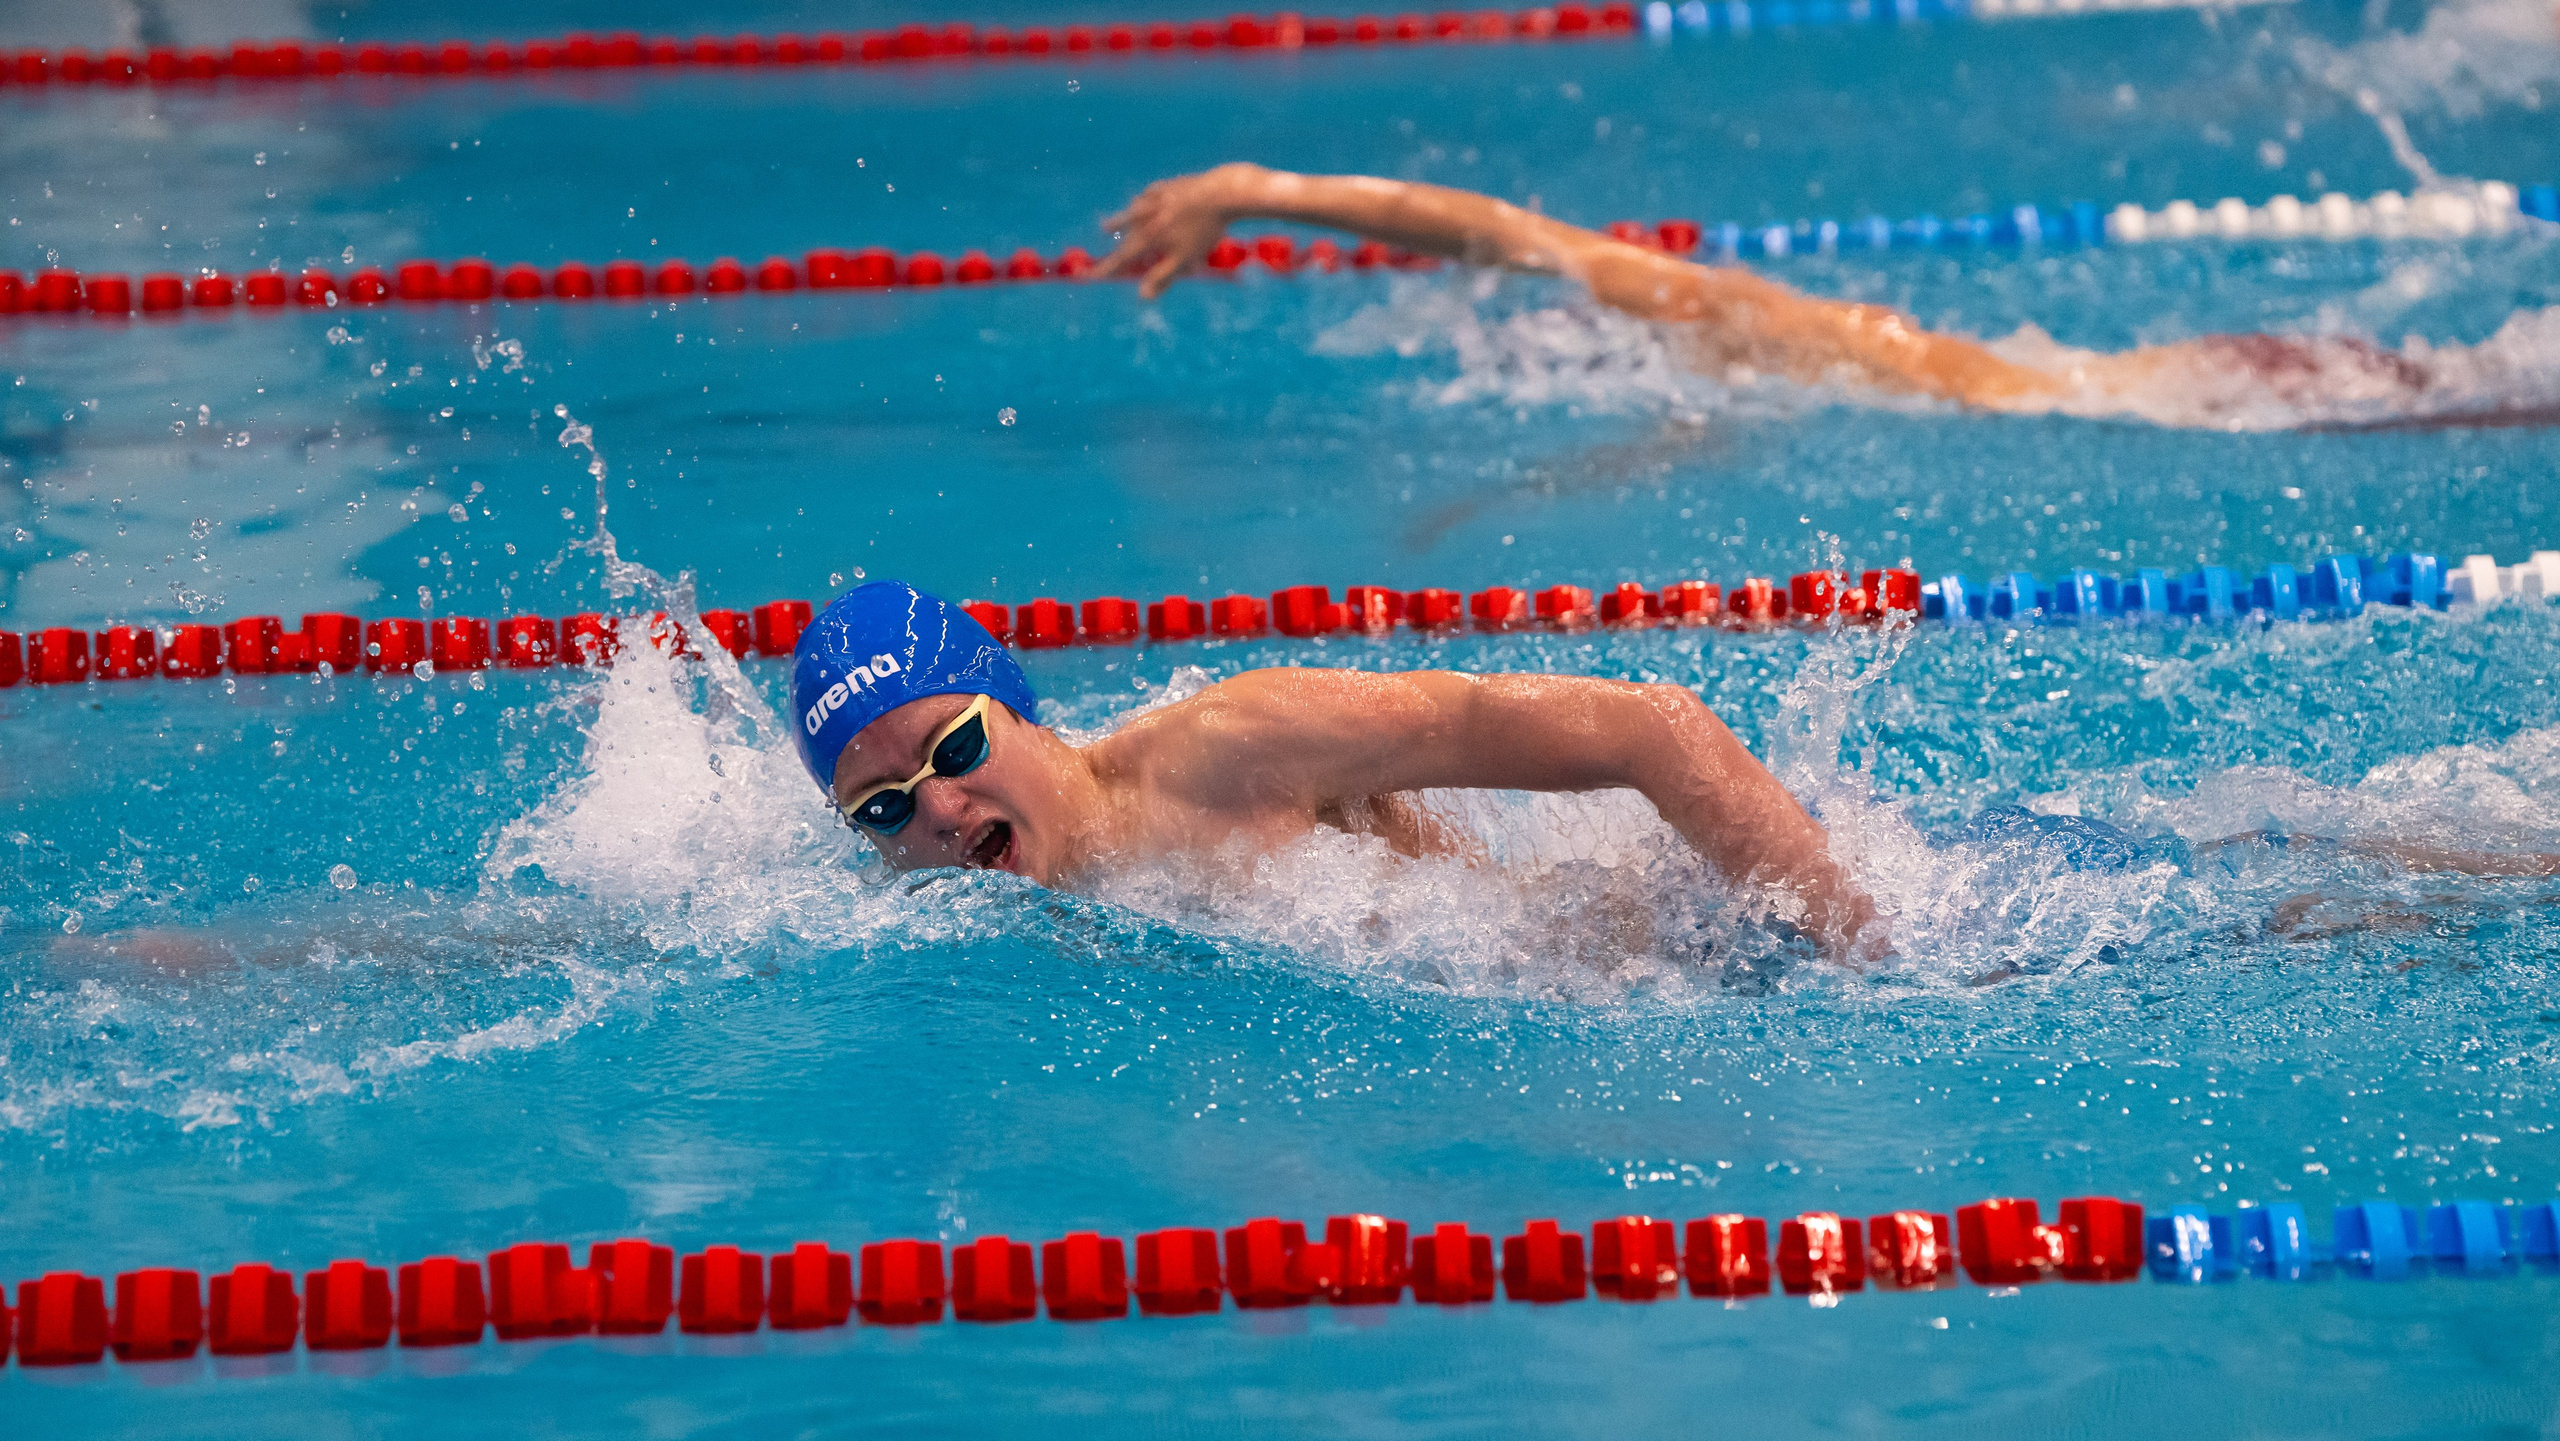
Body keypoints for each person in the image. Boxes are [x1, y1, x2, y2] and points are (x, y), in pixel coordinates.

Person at [792, 580, 1878, 960]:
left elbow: (1654, 727)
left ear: (1022, 713)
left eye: (958, 746)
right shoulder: (971, 922)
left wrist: (1861, 949)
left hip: (1717, 950)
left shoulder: (1232, 749)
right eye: (883, 806)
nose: (938, 806)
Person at [1095, 163, 2451, 427]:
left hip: (2222, 401)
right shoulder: (1784, 369)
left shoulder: (1737, 321)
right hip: (2177, 386)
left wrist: (1258, 183)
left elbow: (1505, 232)